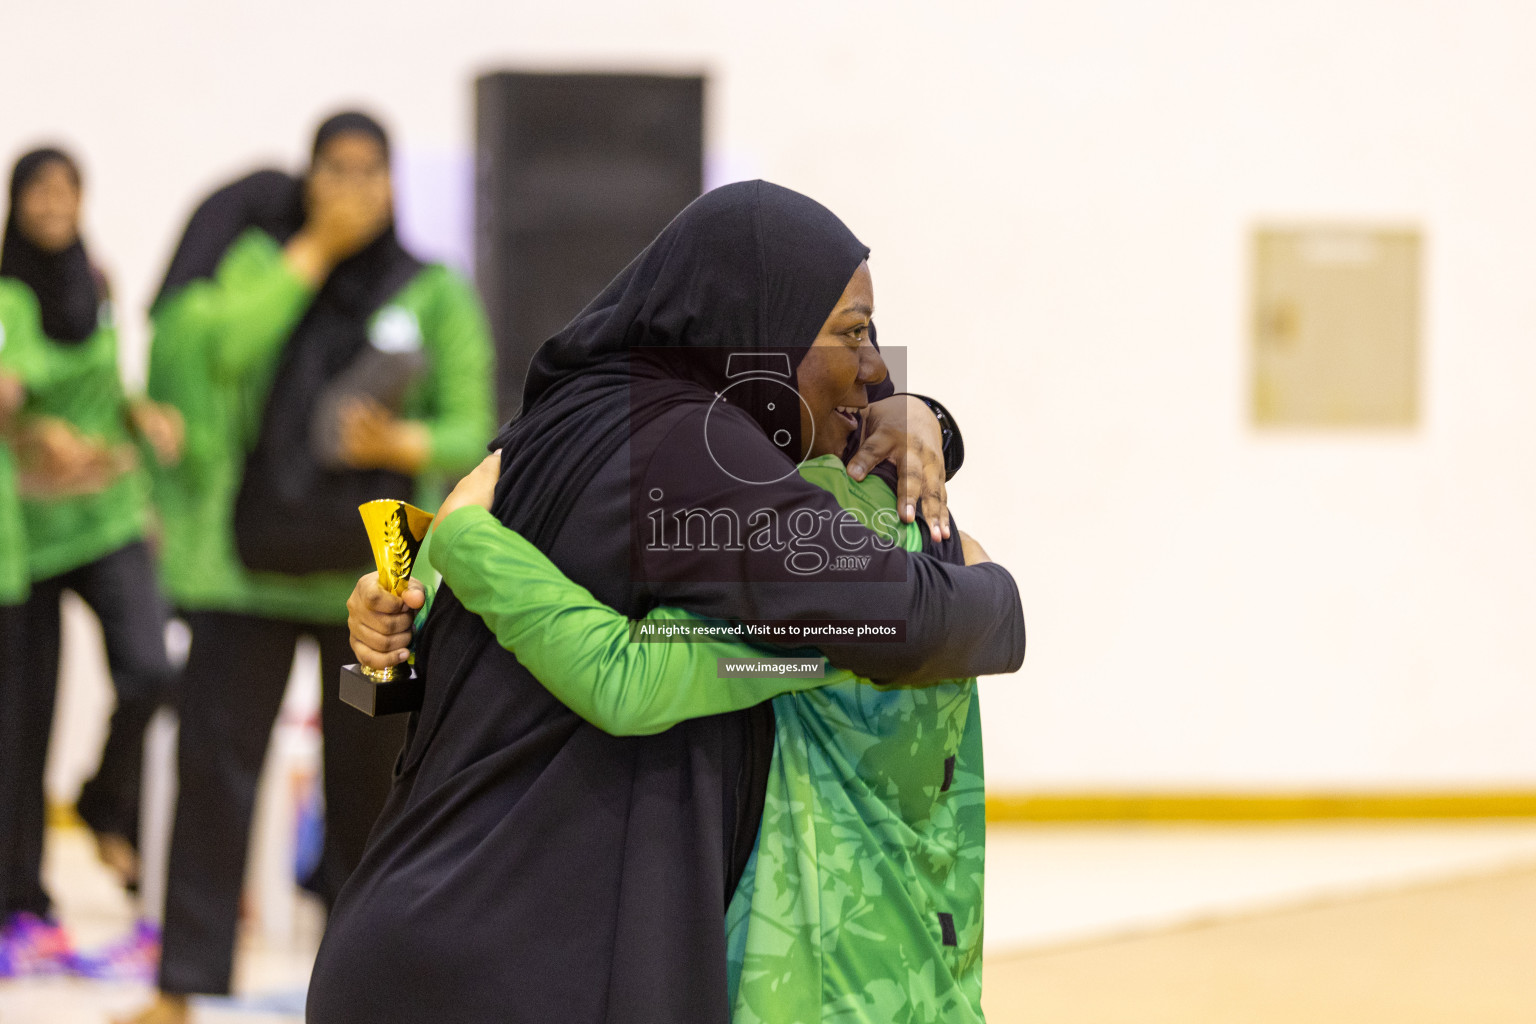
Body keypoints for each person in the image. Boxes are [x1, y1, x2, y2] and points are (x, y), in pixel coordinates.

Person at [309, 180, 1024, 1023]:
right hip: (522, 963)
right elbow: (906, 620)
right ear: (759, 326)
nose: (874, 369)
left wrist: (923, 415)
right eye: (855, 334)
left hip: (421, 933)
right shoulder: (696, 457)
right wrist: (989, 583)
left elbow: (400, 683)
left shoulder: (569, 417)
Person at [120, 111, 494, 1024]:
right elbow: (213, 354)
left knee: (375, 792)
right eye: (336, 170)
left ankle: (367, 989)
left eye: (373, 172)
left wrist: (401, 434)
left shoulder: (432, 290)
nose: (355, 189)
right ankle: (182, 986)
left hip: (378, 582)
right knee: (215, 779)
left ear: (396, 183)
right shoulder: (261, 264)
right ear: (309, 177)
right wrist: (310, 257)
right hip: (241, 574)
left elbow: (475, 421)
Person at [0, 147, 183, 974]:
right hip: (30, 531)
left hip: (107, 512)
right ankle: (23, 904)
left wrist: (140, 414)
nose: (52, 203)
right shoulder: (5, 294)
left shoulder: (99, 285)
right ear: (16, 202)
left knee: (149, 669)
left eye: (65, 188)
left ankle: (105, 803)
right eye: (37, 190)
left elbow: (107, 386)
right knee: (21, 725)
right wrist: (32, 429)